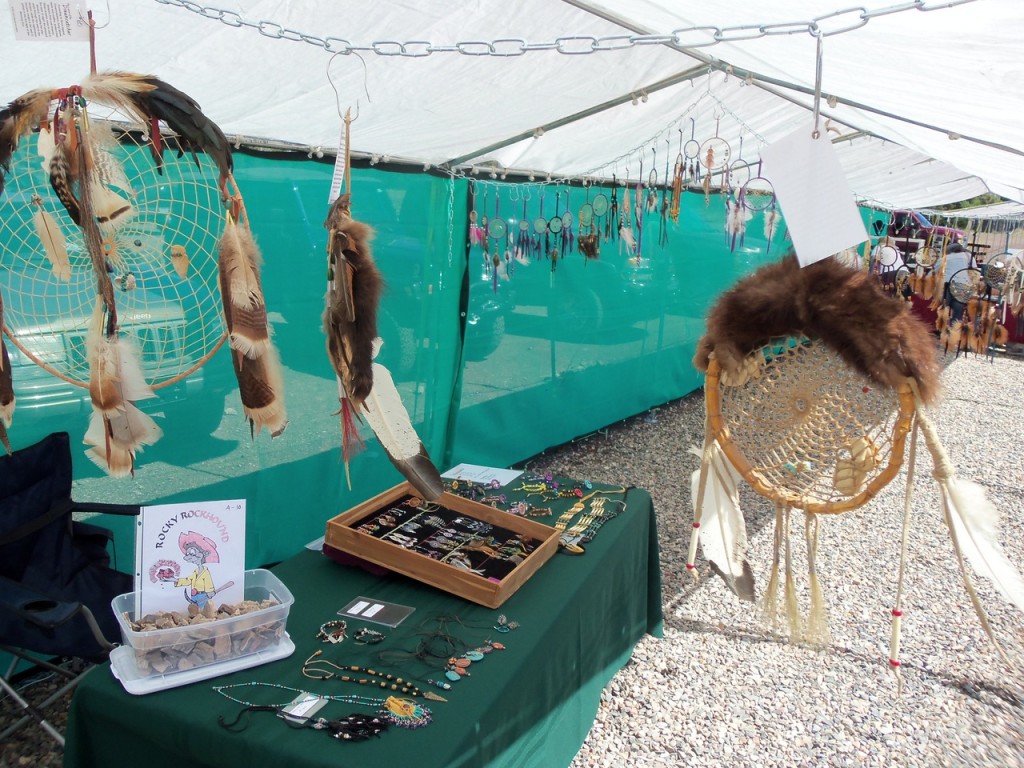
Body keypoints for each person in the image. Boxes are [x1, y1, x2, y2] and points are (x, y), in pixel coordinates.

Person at [942, 242, 972, 321]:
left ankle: (942, 329)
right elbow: (974, 272)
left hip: (948, 284)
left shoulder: (946, 257)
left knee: (944, 309)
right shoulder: (968, 256)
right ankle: (955, 330)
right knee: (958, 312)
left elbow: (936, 269)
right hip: (963, 285)